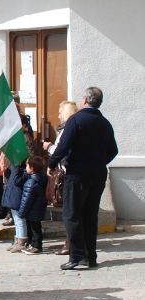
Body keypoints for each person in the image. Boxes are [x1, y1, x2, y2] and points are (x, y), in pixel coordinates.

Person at [48, 87, 117, 270]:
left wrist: (51, 164)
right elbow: (113, 151)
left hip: (77, 174)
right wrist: (98, 161)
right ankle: (90, 256)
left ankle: (77, 256)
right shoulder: (105, 123)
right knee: (90, 216)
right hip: (97, 175)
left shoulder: (76, 120)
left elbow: (63, 146)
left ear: (85, 100)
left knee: (72, 215)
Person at [43, 100, 79, 255]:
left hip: (67, 172)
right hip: (73, 172)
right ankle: (73, 242)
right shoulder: (71, 127)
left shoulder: (68, 129)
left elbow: (61, 150)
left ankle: (70, 244)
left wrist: (49, 147)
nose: (58, 115)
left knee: (70, 211)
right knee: (73, 210)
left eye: (60, 112)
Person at [20, 156, 48, 255]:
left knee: (34, 229)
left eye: (27, 165)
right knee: (36, 228)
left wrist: (21, 213)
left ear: (31, 168)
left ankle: (36, 246)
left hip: (32, 210)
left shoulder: (30, 182)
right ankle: (34, 245)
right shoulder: (42, 178)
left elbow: (26, 200)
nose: (25, 167)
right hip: (38, 208)